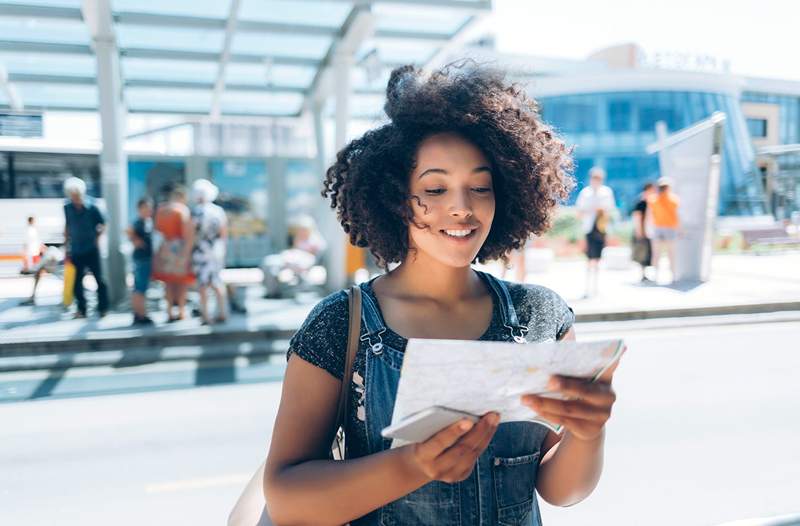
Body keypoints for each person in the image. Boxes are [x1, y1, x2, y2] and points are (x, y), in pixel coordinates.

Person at [263, 64, 621, 525]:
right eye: (435, 188)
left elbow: (560, 490)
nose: (462, 207)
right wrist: (412, 466)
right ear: (393, 196)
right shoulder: (339, 323)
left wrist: (588, 433)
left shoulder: (540, 315)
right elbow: (287, 498)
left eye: (480, 187)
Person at [63, 177, 108, 318]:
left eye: (77, 195)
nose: (75, 198)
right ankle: (82, 310)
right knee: (77, 282)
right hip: (76, 249)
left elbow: (103, 224)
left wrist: (97, 238)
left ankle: (103, 308)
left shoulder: (92, 207)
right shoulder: (67, 208)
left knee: (99, 279)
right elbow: (67, 226)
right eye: (72, 195)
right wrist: (66, 244)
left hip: (91, 248)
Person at [153, 184, 194, 322]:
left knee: (168, 282)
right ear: (182, 197)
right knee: (181, 282)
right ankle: (181, 311)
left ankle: (169, 311)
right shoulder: (182, 210)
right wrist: (186, 253)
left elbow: (157, 230)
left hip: (165, 247)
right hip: (179, 248)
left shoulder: (161, 209)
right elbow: (186, 233)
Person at [190, 179, 228, 325]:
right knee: (217, 281)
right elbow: (224, 233)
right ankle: (223, 312)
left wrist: (186, 254)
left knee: (203, 284)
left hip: (201, 250)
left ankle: (206, 316)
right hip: (216, 250)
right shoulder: (218, 211)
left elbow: (191, 235)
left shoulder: (197, 211)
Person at [575, 167, 616, 298]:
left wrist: (602, 211)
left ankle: (596, 287)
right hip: (588, 228)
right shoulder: (585, 193)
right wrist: (591, 210)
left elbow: (610, 210)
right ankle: (588, 288)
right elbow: (579, 212)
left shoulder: (606, 192)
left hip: (601, 228)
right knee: (589, 259)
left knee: (598, 259)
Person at [127, 197, 155, 325]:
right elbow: (129, 233)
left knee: (140, 287)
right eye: (146, 207)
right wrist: (138, 242)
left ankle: (140, 313)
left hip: (145, 258)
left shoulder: (147, 222)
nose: (149, 210)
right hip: (141, 259)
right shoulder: (139, 223)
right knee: (140, 287)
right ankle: (140, 314)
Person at [649, 177, 681, 283]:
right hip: (663, 228)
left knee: (666, 253)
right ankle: (660, 275)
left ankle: (671, 275)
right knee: (662, 253)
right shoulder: (656, 199)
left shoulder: (656, 199)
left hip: (666, 228)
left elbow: (677, 215)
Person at [631, 182, 656, 282]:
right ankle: (643, 274)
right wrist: (639, 231)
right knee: (642, 254)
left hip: (649, 231)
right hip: (642, 231)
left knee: (648, 253)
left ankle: (646, 274)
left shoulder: (652, 202)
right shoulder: (641, 202)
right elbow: (637, 217)